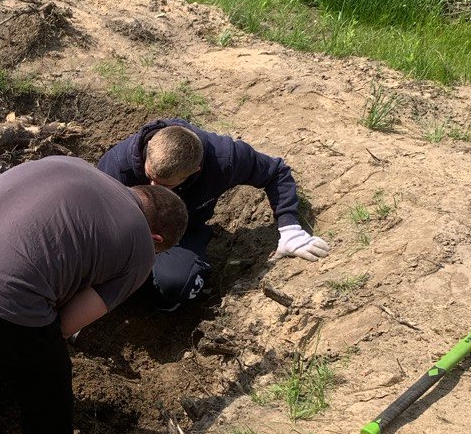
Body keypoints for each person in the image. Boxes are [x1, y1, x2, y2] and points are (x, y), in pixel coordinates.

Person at [0, 155, 187, 434]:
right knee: (50, 376)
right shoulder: (141, 250)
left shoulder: (73, 165)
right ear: (157, 239)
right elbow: (66, 325)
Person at [97, 118, 329, 311]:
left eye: (165, 185)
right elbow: (95, 219)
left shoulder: (225, 159)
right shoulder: (118, 165)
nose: (153, 187)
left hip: (183, 232)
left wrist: (289, 227)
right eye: (149, 177)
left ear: (194, 171)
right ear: (147, 153)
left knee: (177, 286)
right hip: (124, 233)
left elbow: (276, 172)